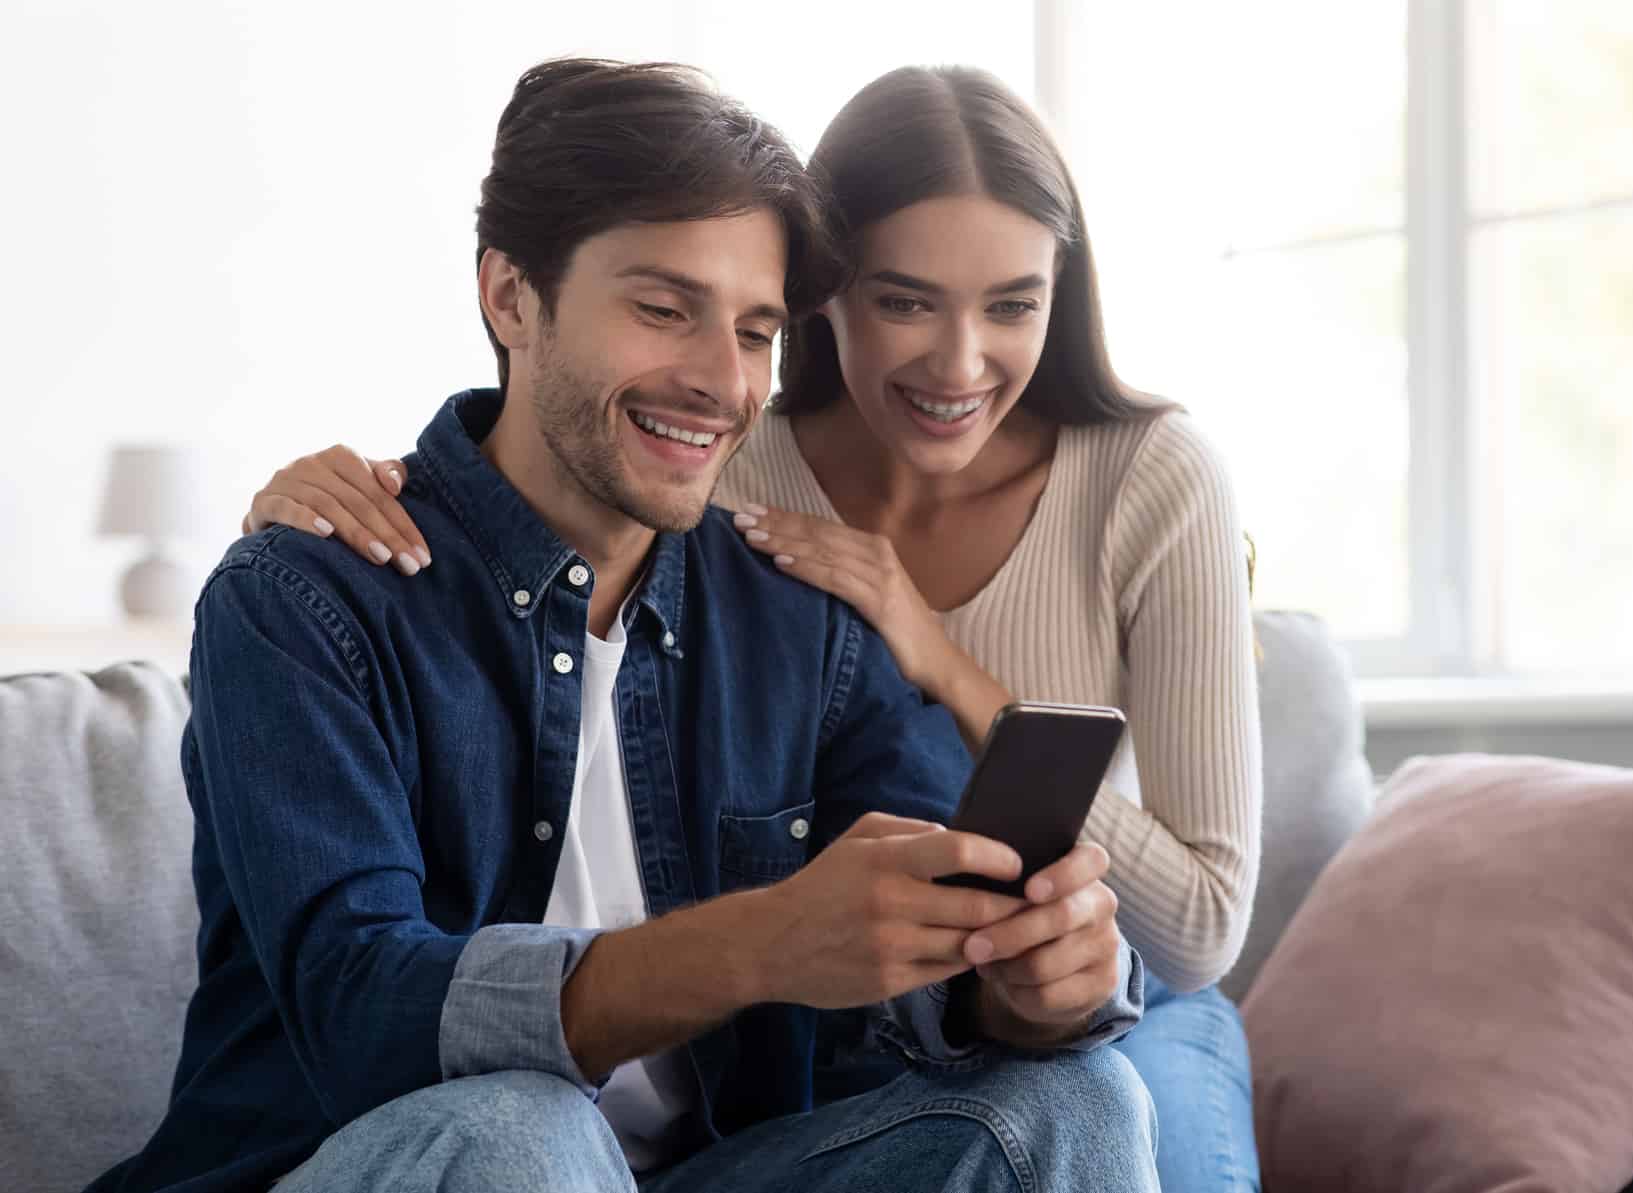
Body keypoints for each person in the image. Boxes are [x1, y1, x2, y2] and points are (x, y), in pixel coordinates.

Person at [93, 59, 1158, 1193]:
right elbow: (363, 1014)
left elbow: (937, 971)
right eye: (663, 309)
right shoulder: (308, 600)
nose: (722, 381)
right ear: (511, 296)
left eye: (755, 331)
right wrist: (761, 939)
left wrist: (1028, 984)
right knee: (521, 1130)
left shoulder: (804, 623)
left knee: (1081, 1096)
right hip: (389, 1163)